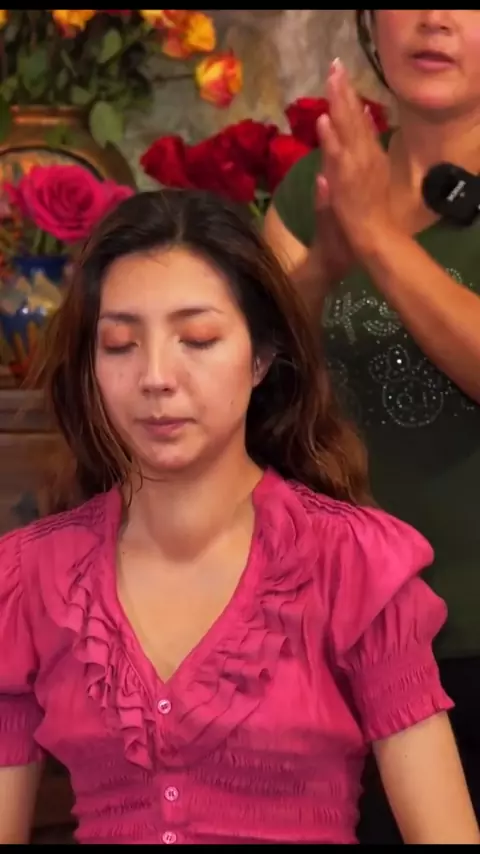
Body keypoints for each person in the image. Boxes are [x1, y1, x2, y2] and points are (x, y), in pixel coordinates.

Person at [0, 190, 478, 846]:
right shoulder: (26, 577)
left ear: (261, 357)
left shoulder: (355, 564)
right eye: (119, 344)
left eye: (197, 339)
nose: (156, 377)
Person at [264, 8, 480, 843]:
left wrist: (377, 238)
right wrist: (324, 262)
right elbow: (246, 383)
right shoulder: (317, 186)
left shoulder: (362, 208)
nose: (433, 20)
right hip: (340, 640)